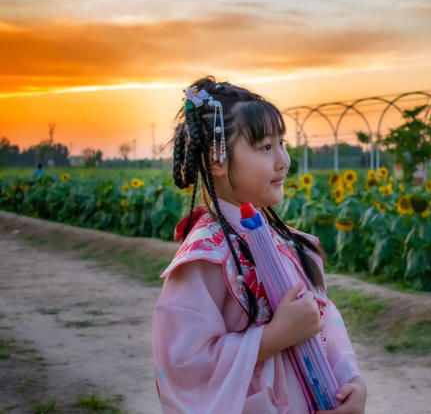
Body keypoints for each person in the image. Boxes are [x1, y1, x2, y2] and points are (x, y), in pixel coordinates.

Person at [152, 77, 366, 413]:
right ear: (217, 160)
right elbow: (184, 363)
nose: (284, 161)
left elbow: (325, 319)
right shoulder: (204, 257)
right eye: (266, 147)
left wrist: (350, 381)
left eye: (282, 143)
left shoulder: (287, 242)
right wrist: (273, 338)